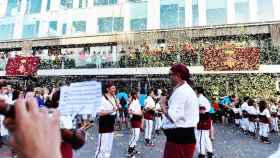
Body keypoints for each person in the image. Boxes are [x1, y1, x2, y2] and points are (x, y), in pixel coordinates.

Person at [161, 64, 199, 158]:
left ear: (177, 75)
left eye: (170, 75)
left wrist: (162, 105)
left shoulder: (182, 92)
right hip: (181, 139)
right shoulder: (184, 90)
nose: (169, 77)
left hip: (179, 141)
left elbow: (173, 116)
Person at [95, 82, 118, 158]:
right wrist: (112, 110)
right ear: (108, 89)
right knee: (101, 148)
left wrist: (118, 105)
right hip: (104, 125)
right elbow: (99, 113)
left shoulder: (114, 97)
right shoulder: (102, 98)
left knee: (108, 148)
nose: (114, 89)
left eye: (114, 88)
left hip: (111, 125)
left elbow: (116, 108)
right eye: (112, 88)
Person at [195, 87, 213, 158]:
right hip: (205, 119)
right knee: (205, 137)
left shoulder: (201, 99)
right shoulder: (203, 99)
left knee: (200, 138)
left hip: (202, 119)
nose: (194, 92)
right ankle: (210, 152)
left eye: (195, 91)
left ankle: (202, 153)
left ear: (198, 91)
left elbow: (202, 110)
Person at [127, 91, 142, 157]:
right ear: (135, 95)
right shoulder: (133, 102)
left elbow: (138, 110)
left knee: (136, 136)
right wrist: (138, 114)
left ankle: (133, 149)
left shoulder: (137, 101)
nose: (139, 94)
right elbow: (129, 111)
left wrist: (141, 112)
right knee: (135, 136)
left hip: (138, 119)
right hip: (135, 120)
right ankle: (129, 151)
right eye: (138, 93)